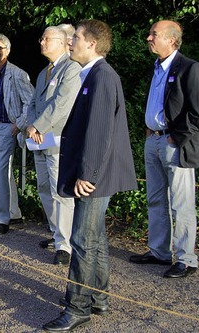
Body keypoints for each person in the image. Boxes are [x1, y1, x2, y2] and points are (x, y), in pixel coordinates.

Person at [42, 20, 137, 331]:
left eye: (77, 38)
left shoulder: (101, 77)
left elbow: (99, 132)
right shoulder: (94, 75)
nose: (71, 42)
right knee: (93, 237)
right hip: (97, 172)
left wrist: (87, 174)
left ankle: (78, 306)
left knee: (82, 239)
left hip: (95, 174)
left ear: (92, 44)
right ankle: (97, 298)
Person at [129, 20, 199, 279]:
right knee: (155, 199)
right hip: (153, 141)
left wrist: (176, 137)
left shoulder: (189, 68)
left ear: (172, 40)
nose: (148, 38)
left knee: (181, 203)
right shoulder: (156, 68)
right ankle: (159, 251)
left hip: (174, 144)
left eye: (154, 34)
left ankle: (186, 259)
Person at [25, 26, 81, 265]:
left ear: (63, 42)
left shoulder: (72, 68)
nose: (42, 42)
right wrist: (30, 125)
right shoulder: (43, 72)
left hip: (58, 139)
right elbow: (33, 102)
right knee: (44, 188)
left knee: (61, 193)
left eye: (47, 39)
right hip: (38, 139)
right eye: (42, 38)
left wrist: (38, 126)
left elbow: (62, 104)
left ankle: (65, 244)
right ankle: (56, 233)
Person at [0, 33, 33, 235]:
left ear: (8, 50)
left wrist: (19, 124)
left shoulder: (17, 74)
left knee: (2, 171)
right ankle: (14, 213)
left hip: (7, 128)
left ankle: (2, 218)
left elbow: (31, 102)